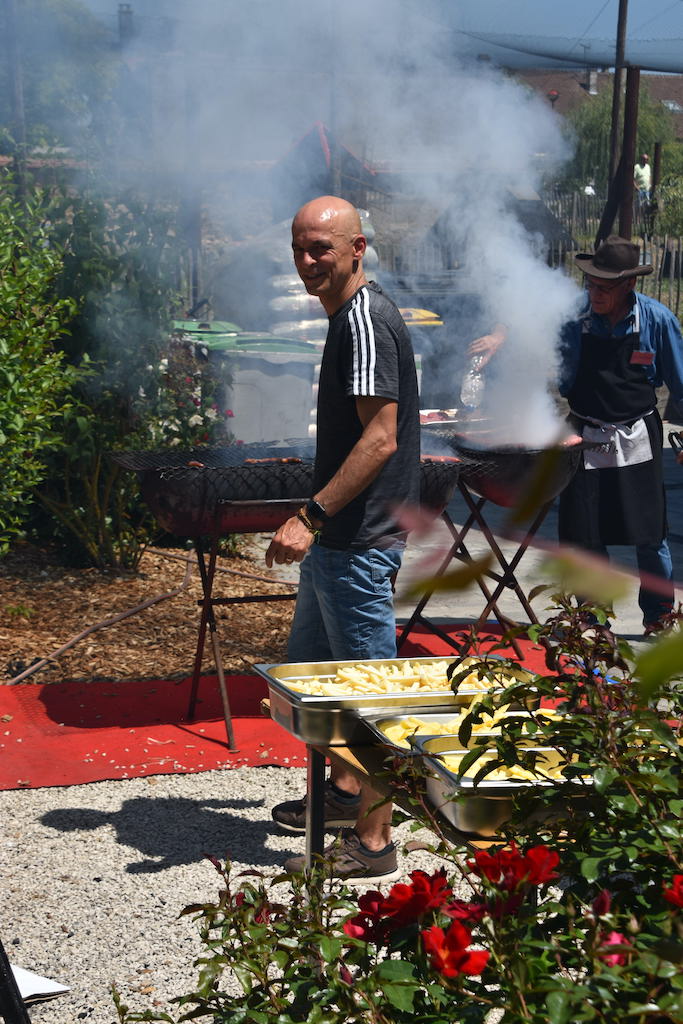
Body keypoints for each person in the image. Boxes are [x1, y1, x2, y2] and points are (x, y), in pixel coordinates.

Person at [265, 196, 420, 883]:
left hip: (356, 542)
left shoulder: (363, 320)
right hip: (342, 544)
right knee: (314, 684)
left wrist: (310, 516)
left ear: (358, 248)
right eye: (299, 248)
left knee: (367, 698)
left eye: (320, 249)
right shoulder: (349, 315)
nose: (307, 262)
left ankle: (375, 842)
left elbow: (381, 438)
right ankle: (344, 794)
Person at [558, 235, 683, 635]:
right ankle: (594, 618)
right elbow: (549, 365)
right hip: (585, 431)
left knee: (650, 532)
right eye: (591, 284)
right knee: (586, 531)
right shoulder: (573, 318)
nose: (594, 294)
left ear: (629, 284)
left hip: (638, 435)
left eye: (605, 287)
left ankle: (659, 616)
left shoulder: (657, 320)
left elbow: (681, 383)